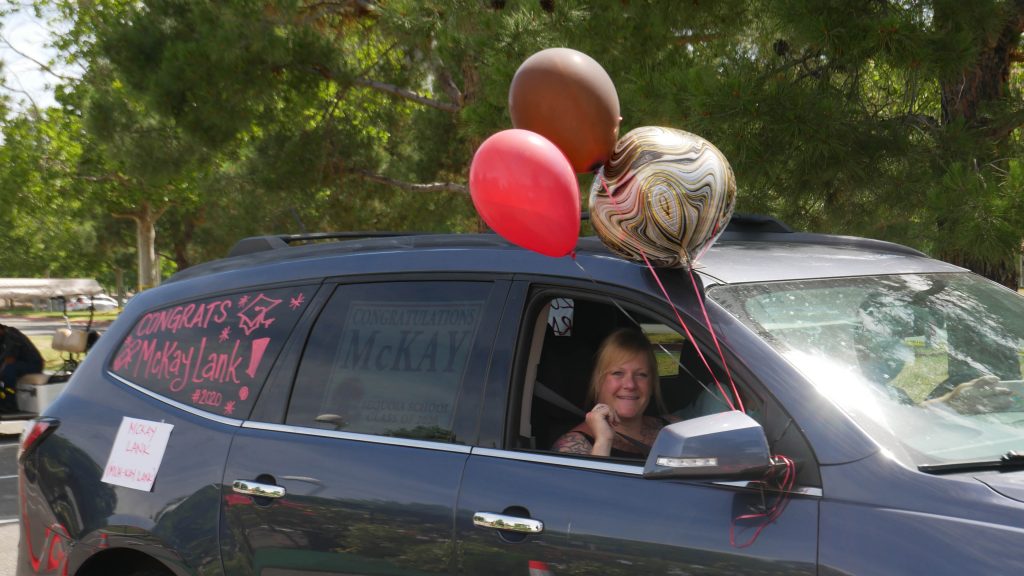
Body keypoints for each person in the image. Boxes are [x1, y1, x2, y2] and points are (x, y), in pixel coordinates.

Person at [552, 328, 674, 458]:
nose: (630, 385)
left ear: (652, 384)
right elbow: (588, 479)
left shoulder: (674, 428)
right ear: (598, 382)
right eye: (618, 373)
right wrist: (603, 442)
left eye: (641, 375)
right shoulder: (572, 446)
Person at [0, 323, 44, 413]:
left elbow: (9, 359)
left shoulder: (12, 336)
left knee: (8, 370)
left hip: (33, 364)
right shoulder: (2, 336)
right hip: (18, 364)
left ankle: (10, 403)